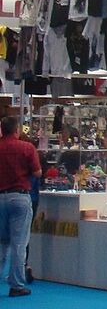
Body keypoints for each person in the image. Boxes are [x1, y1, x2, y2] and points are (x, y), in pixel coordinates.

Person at [0, 115, 40, 297]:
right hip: (20, 196)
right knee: (19, 243)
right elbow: (37, 172)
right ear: (17, 130)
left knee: (1, 242)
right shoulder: (27, 148)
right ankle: (16, 284)